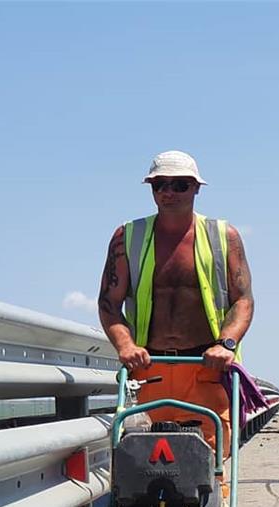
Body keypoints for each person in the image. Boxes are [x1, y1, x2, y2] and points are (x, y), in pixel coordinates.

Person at [97, 150, 254, 458]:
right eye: (160, 185)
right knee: (141, 462)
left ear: (196, 188)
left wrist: (227, 344)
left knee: (208, 461)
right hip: (147, 370)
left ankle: (211, 505)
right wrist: (125, 346)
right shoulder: (128, 237)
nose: (168, 192)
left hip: (204, 369)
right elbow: (109, 303)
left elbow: (243, 300)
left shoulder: (224, 236)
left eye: (179, 184)